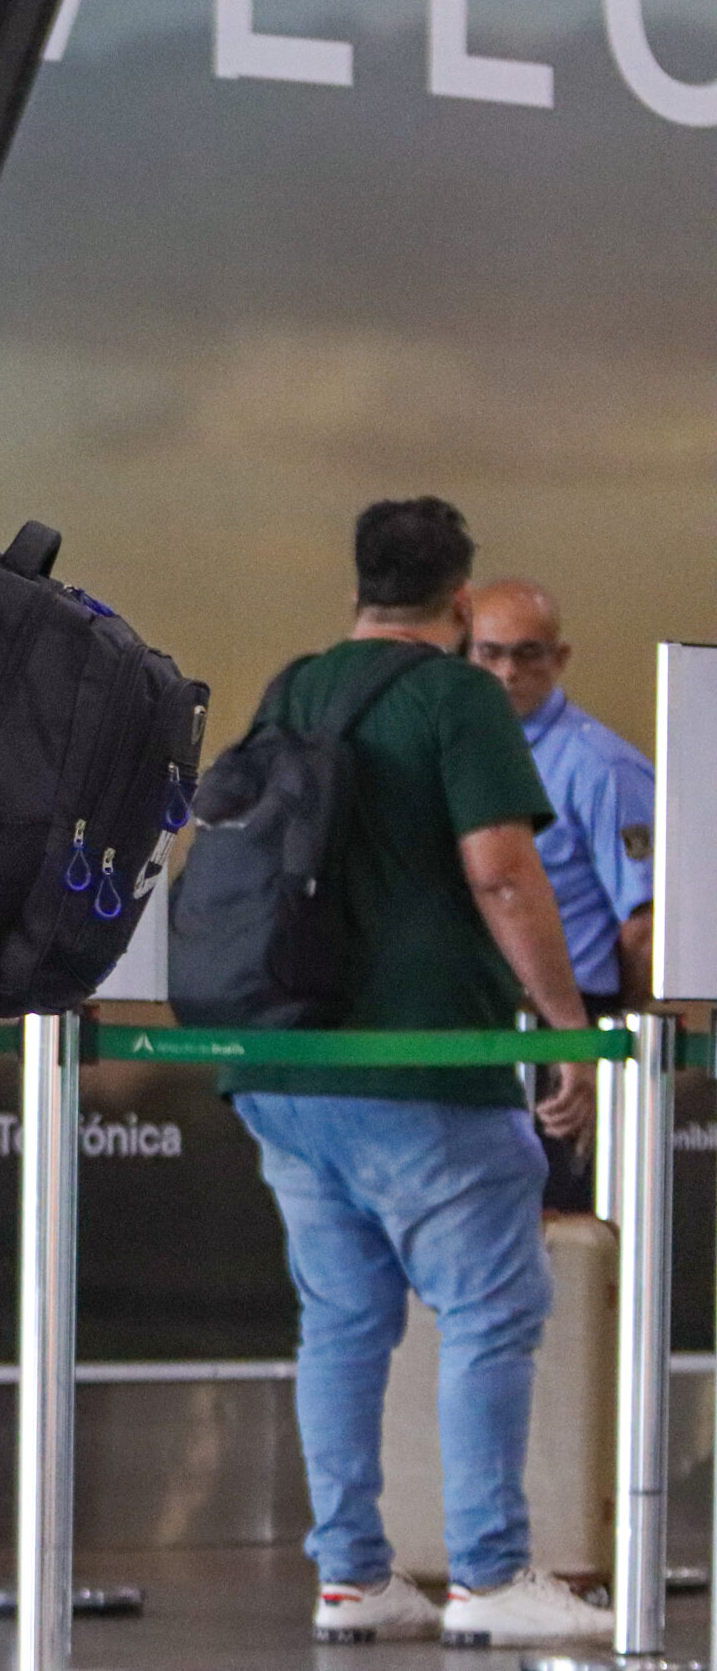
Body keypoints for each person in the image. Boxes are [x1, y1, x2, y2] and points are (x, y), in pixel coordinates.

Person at [216, 500, 611, 1648]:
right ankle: (487, 1576)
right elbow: (499, 872)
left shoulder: (295, 686)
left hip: (282, 1061)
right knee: (490, 1310)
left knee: (340, 1322)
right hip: (421, 1067)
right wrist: (560, 1021)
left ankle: (350, 1578)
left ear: (356, 588)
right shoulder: (456, 698)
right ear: (458, 601)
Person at [470, 577, 656, 1213]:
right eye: (488, 653)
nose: (506, 670)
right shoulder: (465, 753)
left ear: (560, 658)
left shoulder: (599, 765)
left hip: (569, 1032)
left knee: (558, 1239)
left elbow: (645, 926)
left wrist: (612, 1051)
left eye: (527, 653)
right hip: (481, 1024)